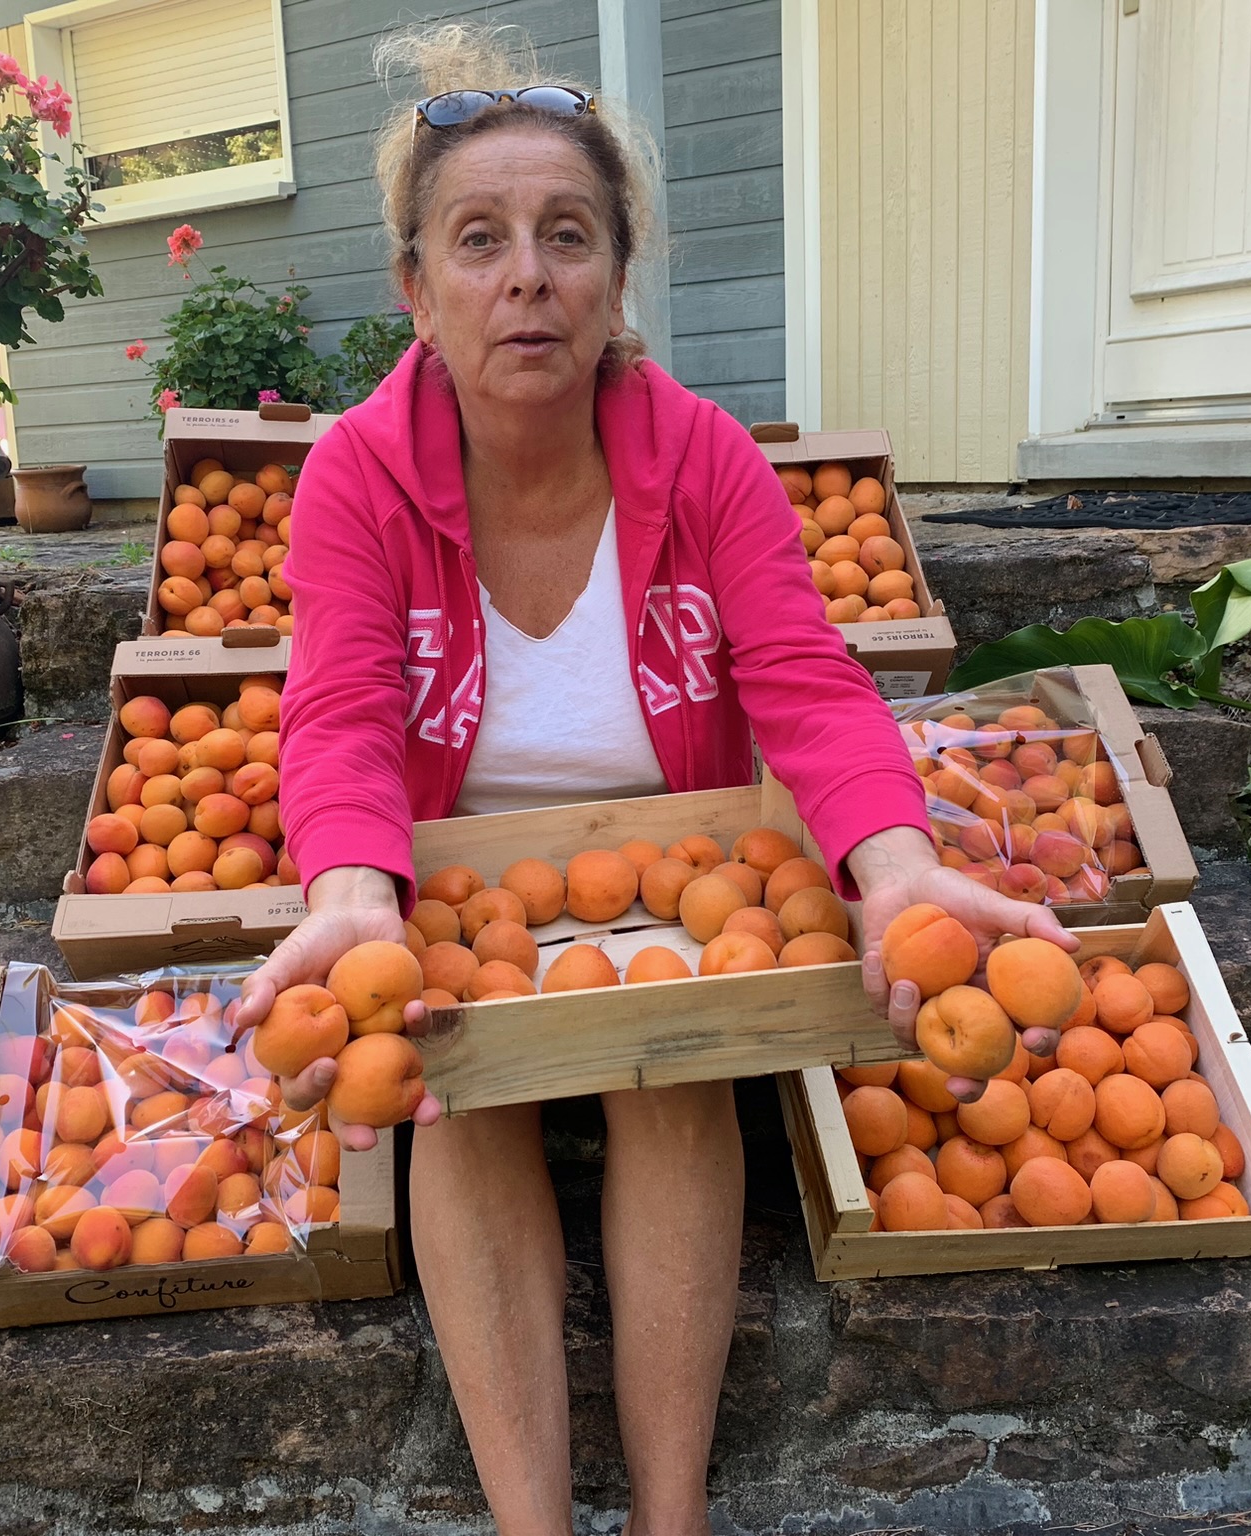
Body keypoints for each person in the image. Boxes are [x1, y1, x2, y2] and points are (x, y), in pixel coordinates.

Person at [230, 24, 1076, 1536]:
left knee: (681, 1060)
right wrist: (356, 894)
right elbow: (341, 710)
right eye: (477, 241)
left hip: (676, 887)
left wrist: (892, 865)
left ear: (621, 277)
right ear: (417, 291)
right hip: (454, 884)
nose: (527, 276)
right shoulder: (357, 471)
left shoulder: (703, 460)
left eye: (569, 236)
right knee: (454, 1091)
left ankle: (671, 1517)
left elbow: (808, 682)